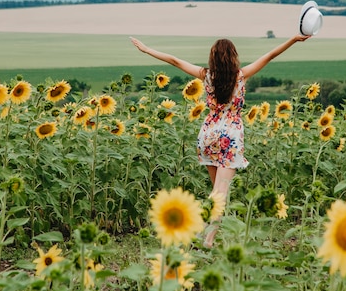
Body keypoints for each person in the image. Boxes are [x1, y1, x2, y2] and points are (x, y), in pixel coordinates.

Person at [130, 34, 310, 246]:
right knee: (220, 193)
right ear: (234, 57)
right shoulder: (241, 76)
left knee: (215, 191)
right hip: (230, 138)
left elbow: (175, 61)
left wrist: (147, 49)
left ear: (213, 57)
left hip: (208, 135)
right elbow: (270, 55)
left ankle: (204, 233)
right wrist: (294, 39)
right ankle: (207, 239)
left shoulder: (205, 75)